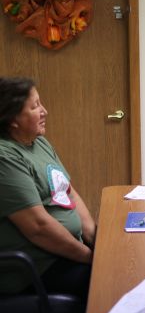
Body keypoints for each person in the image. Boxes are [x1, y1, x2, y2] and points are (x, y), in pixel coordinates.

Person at [0, 77, 95, 301]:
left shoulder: (38, 142)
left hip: (65, 252)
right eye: (35, 107)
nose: (45, 111)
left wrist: (94, 236)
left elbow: (67, 191)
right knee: (112, 278)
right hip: (35, 268)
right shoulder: (5, 157)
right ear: (13, 119)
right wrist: (90, 258)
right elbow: (38, 227)